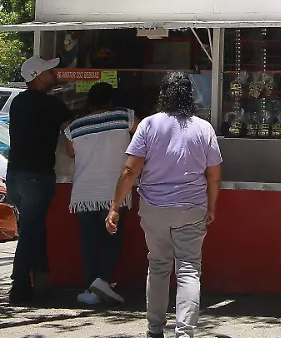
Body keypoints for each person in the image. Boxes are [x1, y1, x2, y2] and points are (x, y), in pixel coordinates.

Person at [106, 72, 222, 338]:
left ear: (162, 95)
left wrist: (115, 206)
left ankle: (155, 330)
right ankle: (184, 333)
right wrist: (212, 207)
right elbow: (214, 176)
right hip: (192, 208)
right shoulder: (203, 128)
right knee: (189, 270)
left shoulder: (148, 125)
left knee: (158, 266)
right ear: (190, 96)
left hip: (154, 208)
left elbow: (129, 170)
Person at [6, 55, 72, 305]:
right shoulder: (53, 105)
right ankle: (20, 285)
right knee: (30, 231)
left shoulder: (17, 103)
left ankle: (42, 281)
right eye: (49, 71)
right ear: (37, 77)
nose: (54, 74)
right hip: (37, 176)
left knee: (34, 228)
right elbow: (74, 131)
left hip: (14, 176)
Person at [64, 81, 136, 306]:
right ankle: (102, 281)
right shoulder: (124, 117)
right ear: (110, 101)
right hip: (113, 191)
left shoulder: (74, 127)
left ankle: (92, 287)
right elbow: (144, 133)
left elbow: (70, 152)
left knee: (89, 242)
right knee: (112, 240)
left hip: (84, 193)